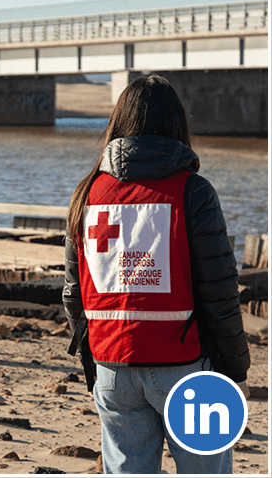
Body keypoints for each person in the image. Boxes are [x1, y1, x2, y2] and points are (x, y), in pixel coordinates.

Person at [63, 74, 250, 474]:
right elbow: (220, 292)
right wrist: (235, 370)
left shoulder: (86, 194)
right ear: (177, 124)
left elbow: (72, 294)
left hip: (112, 368)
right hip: (186, 369)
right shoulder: (194, 191)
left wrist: (94, 361)